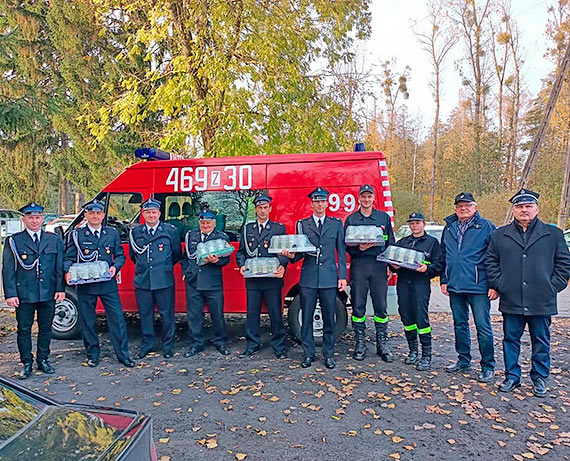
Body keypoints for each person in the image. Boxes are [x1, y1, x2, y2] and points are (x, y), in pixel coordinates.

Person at [485, 189, 570, 397]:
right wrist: (501, 284)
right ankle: (512, 377)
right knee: (510, 339)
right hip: (512, 297)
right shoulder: (500, 234)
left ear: (536, 209)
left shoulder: (553, 234)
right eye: (520, 206)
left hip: (541, 299)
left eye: (528, 206)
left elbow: (564, 263)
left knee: (541, 340)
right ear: (514, 210)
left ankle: (539, 377)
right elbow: (491, 261)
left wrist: (553, 286)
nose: (524, 210)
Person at [64, 200, 134, 368]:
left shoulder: (112, 233)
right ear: (86, 215)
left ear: (103, 215)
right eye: (91, 213)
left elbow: (120, 256)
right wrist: (68, 271)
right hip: (85, 285)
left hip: (108, 284)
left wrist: (114, 268)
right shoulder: (77, 235)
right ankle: (92, 355)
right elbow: (68, 258)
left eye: (98, 213)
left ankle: (123, 355)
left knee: (117, 319)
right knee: (88, 321)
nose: (95, 216)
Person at [285, 187, 347, 369]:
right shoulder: (303, 225)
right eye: (316, 201)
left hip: (328, 278)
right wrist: (290, 255)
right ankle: (308, 354)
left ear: (327, 203)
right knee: (307, 319)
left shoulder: (336, 224)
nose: (320, 204)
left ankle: (328, 354)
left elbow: (341, 254)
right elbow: (299, 254)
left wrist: (342, 276)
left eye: (322, 201)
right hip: (309, 278)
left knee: (329, 318)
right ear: (312, 204)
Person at [2, 202, 65, 379]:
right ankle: (27, 362)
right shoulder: (14, 241)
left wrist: (60, 289)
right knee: (24, 329)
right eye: (31, 218)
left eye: (37, 217)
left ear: (43, 219)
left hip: (48, 292)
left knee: (46, 328)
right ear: (24, 219)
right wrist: (11, 293)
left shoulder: (53, 239)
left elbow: (58, 267)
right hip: (24, 294)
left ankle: (43, 359)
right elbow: (8, 269)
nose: (35, 221)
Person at [440, 192, 497, 383]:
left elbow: (495, 257)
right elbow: (444, 255)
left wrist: (494, 284)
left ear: (475, 207)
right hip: (455, 286)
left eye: (467, 205)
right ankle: (463, 360)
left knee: (483, 326)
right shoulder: (449, 228)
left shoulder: (486, 227)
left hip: (478, 286)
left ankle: (488, 366)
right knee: (459, 324)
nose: (463, 208)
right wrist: (444, 279)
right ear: (455, 209)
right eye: (459, 206)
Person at [344, 184, 395, 362]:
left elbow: (390, 243)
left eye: (369, 196)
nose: (366, 200)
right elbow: (345, 246)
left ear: (374, 198)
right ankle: (360, 344)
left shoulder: (383, 218)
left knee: (381, 305)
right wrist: (359, 247)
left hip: (379, 264)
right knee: (358, 305)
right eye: (363, 197)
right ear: (359, 198)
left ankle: (382, 344)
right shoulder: (351, 219)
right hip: (359, 264)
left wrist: (390, 265)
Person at [236, 194, 288, 359]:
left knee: (275, 313)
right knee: (252, 314)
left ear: (270, 209)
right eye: (260, 208)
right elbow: (241, 252)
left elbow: (284, 252)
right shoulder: (247, 229)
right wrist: (242, 264)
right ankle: (252, 345)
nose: (263, 211)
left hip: (272, 278)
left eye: (266, 207)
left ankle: (279, 347)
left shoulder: (278, 229)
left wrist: (282, 265)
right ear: (256, 210)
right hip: (253, 279)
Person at [129, 198, 182, 359]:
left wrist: (162, 268)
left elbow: (176, 254)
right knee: (145, 315)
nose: (151, 215)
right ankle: (147, 344)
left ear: (159, 213)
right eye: (148, 212)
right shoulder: (136, 232)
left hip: (163, 280)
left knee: (167, 314)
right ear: (143, 214)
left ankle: (168, 346)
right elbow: (134, 256)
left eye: (154, 212)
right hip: (143, 280)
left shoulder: (170, 231)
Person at [392, 212, 442, 371]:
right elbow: (393, 261)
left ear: (423, 224)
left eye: (417, 223)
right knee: (406, 317)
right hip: (403, 283)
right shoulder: (402, 242)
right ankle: (413, 351)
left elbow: (439, 264)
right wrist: (393, 266)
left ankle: (426, 355)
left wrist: (428, 268)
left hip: (420, 283)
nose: (415, 226)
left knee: (421, 318)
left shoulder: (432, 243)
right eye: (412, 223)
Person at [181, 209, 231, 356]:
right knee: (194, 315)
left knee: (217, 315)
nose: (205, 225)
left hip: (213, 282)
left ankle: (221, 343)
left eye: (208, 222)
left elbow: (226, 259)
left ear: (214, 223)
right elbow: (185, 257)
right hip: (194, 281)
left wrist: (218, 261)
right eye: (203, 222)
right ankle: (196, 344)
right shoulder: (191, 235)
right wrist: (185, 273)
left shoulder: (221, 237)